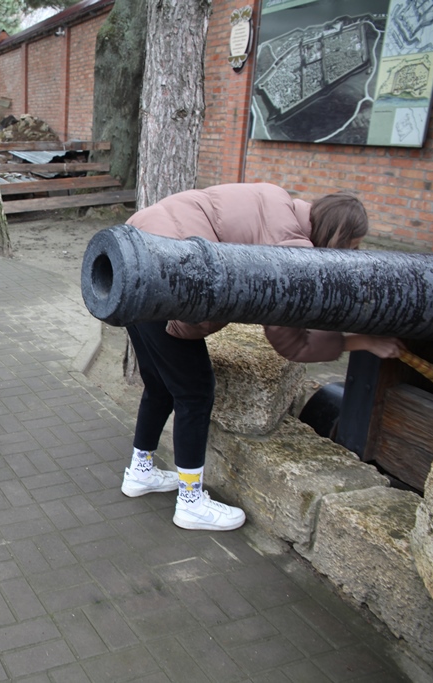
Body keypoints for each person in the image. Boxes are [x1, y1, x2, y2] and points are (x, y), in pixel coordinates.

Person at [120, 184, 404, 531]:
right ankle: (190, 502)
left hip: (134, 254)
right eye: (352, 249)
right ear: (338, 238)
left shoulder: (276, 199)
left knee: (160, 384)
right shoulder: (292, 249)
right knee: (194, 392)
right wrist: (358, 342)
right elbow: (290, 341)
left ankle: (140, 471)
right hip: (173, 274)